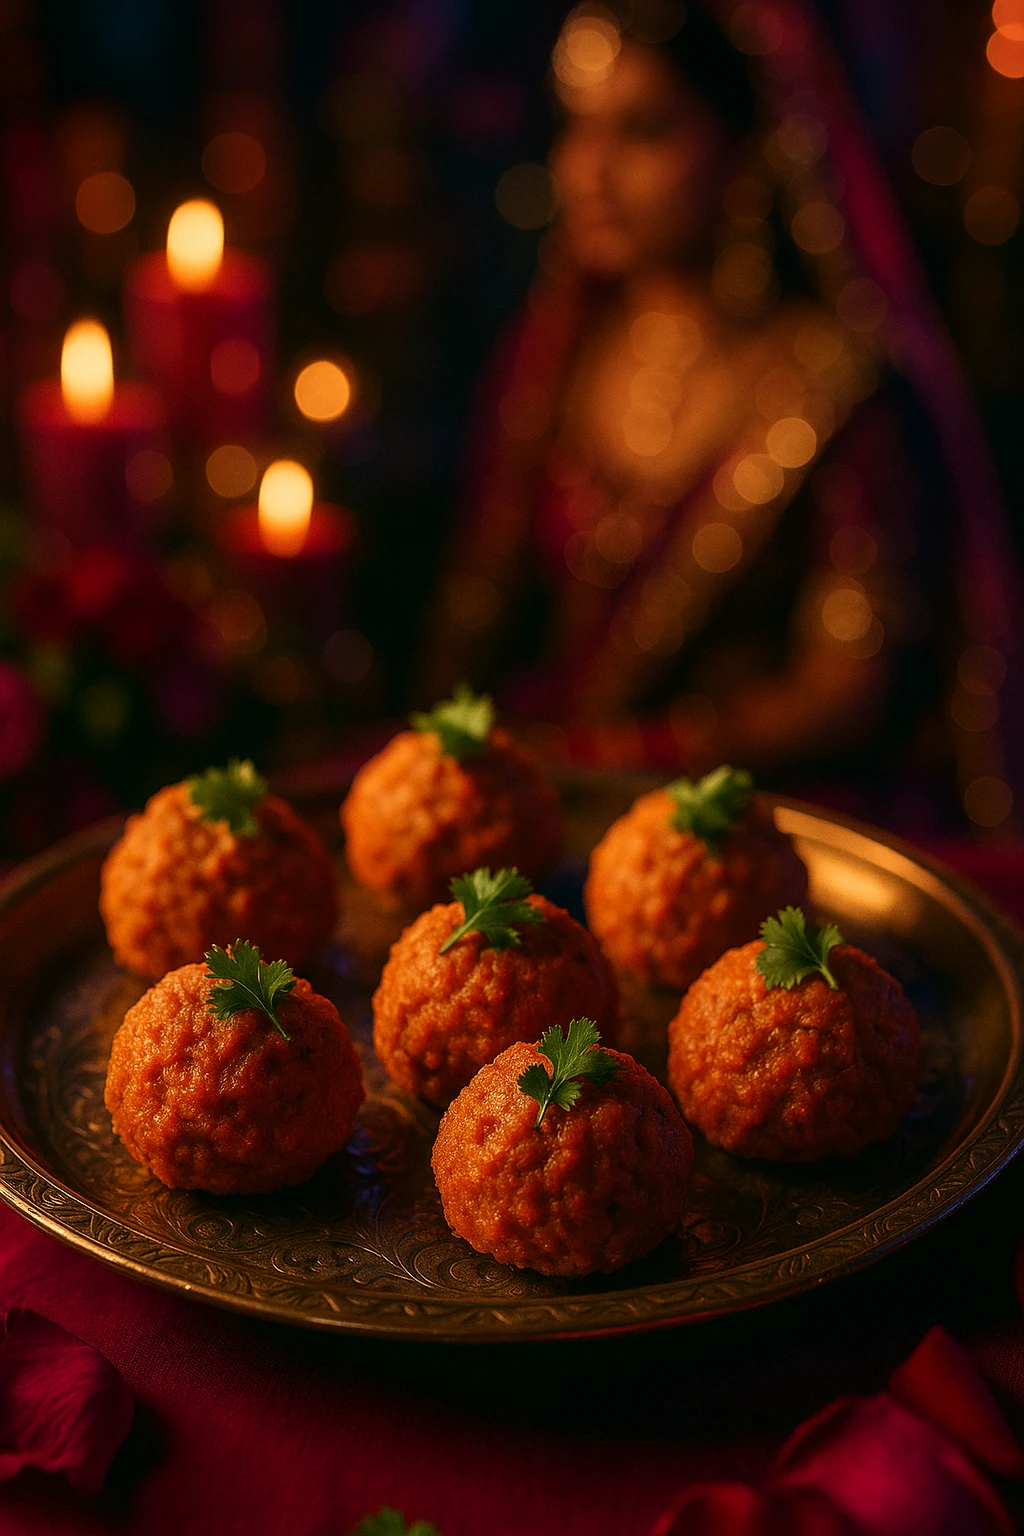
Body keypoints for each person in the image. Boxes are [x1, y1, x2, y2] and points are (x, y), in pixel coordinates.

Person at [423, 0, 1021, 830]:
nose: (589, 171)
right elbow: (483, 606)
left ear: (750, 154)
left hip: (757, 815)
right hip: (558, 795)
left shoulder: (834, 383)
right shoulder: (557, 353)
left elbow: (848, 691)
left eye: (643, 132)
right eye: (578, 128)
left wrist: (627, 757)